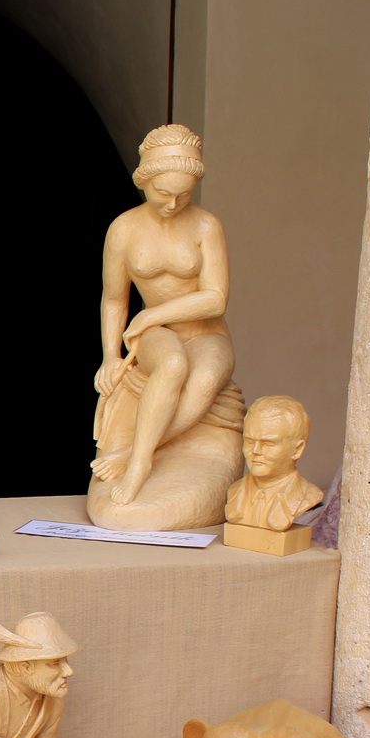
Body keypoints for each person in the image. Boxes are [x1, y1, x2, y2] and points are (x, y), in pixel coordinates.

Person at [91, 125, 236, 506]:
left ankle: (133, 453)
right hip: (158, 333)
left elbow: (216, 299)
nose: (173, 204)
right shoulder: (124, 229)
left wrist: (149, 316)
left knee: (206, 376)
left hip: (206, 331)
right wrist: (110, 356)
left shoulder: (207, 225)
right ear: (144, 181)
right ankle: (140, 464)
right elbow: (114, 300)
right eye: (163, 193)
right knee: (171, 364)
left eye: (183, 195)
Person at [226, 395, 324, 531]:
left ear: (297, 449)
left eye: (268, 443)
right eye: (249, 441)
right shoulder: (235, 491)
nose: (255, 451)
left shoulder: (309, 495)